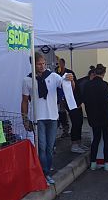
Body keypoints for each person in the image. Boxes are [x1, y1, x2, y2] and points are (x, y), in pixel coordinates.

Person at [21, 53, 76, 185]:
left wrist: (71, 80)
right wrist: (25, 118)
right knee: (41, 147)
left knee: (50, 147)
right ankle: (43, 173)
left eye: (43, 63)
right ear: (33, 64)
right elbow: (24, 101)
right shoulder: (27, 80)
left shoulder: (53, 76)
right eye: (39, 64)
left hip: (52, 116)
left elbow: (69, 87)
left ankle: (46, 172)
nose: (42, 66)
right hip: (37, 118)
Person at [82, 65, 108, 171]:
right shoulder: (104, 84)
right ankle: (107, 163)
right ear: (103, 73)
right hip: (105, 116)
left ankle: (93, 163)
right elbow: (107, 99)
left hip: (93, 116)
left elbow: (85, 100)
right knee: (106, 139)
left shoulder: (87, 85)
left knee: (96, 139)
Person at [55, 58, 71, 139]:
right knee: (60, 113)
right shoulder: (55, 72)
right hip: (58, 96)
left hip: (66, 96)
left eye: (60, 63)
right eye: (57, 64)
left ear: (63, 64)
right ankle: (63, 130)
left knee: (64, 113)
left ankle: (66, 130)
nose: (58, 65)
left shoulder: (68, 72)